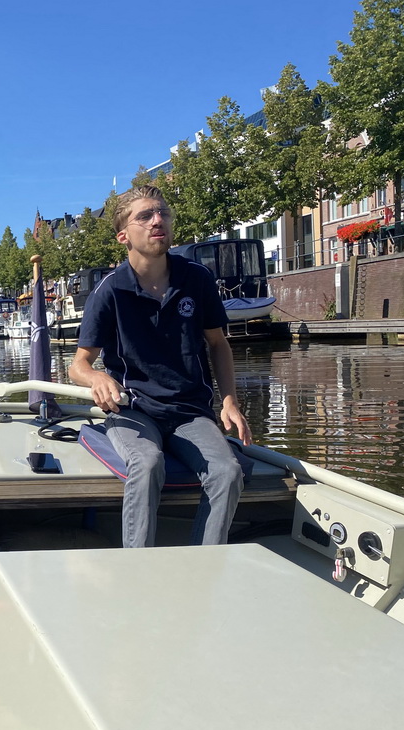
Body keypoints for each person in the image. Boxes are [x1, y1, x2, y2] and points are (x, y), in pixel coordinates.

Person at [68, 185, 252, 547]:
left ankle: (206, 565)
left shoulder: (196, 279)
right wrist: (97, 376)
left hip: (189, 410)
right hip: (134, 409)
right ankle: (138, 569)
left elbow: (218, 343)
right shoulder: (109, 291)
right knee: (147, 463)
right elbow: (79, 364)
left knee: (228, 472)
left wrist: (229, 400)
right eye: (145, 216)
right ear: (124, 236)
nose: (158, 221)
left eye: (162, 213)